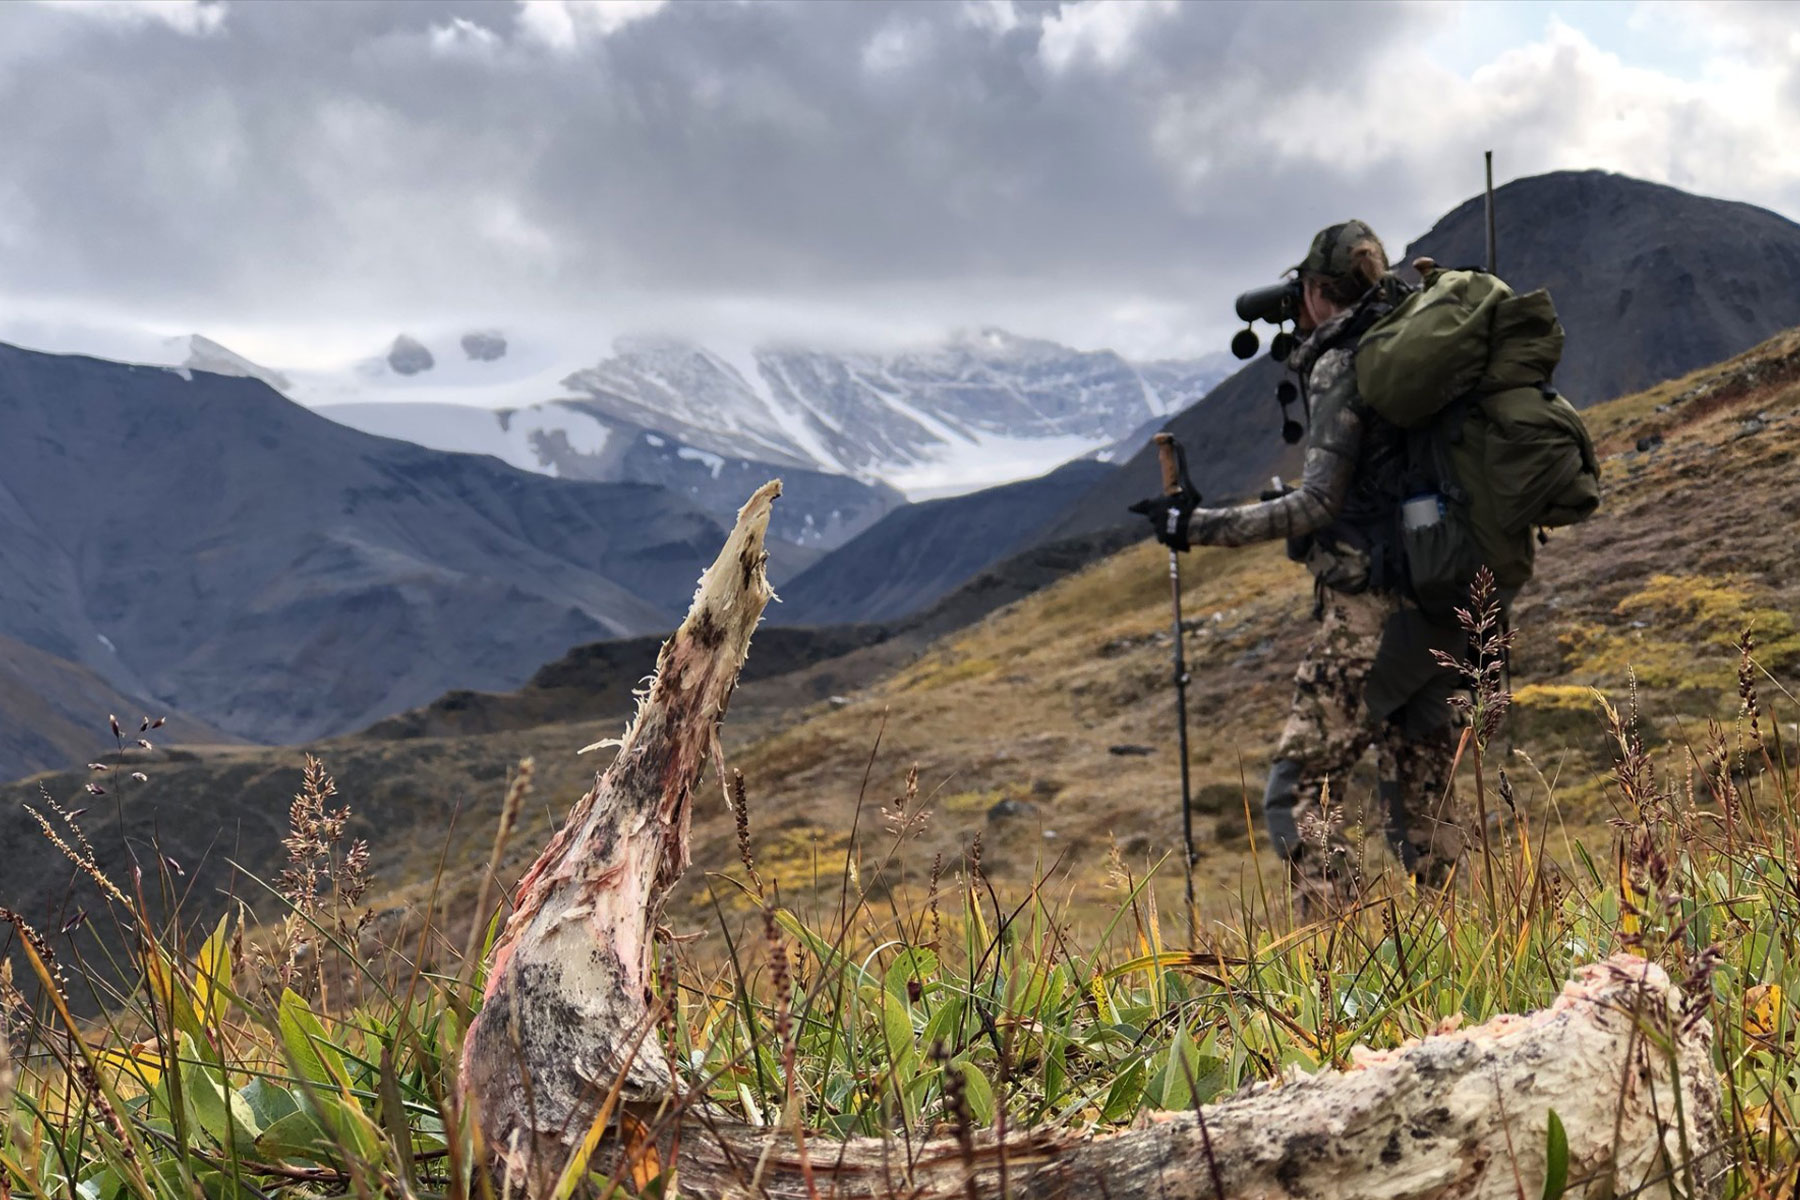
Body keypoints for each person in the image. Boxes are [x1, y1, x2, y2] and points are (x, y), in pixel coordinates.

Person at [1141, 221, 1468, 915]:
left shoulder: (1343, 359)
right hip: (1444, 597)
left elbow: (1320, 501)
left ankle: (1336, 963)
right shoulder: (1417, 342)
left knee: (1301, 788)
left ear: (1319, 292)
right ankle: (1469, 958)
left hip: (1370, 612)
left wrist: (1197, 526)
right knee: (1425, 796)